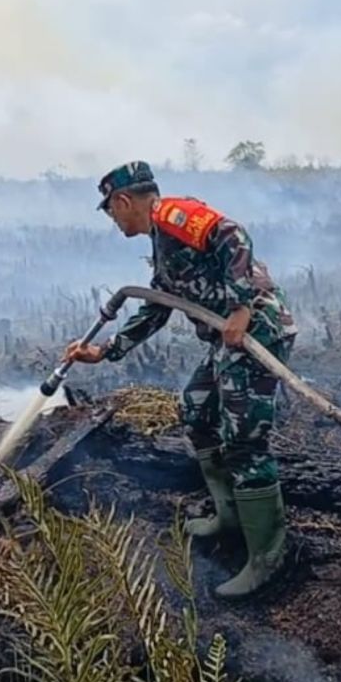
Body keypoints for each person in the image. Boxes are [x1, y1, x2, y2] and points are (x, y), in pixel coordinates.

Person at [64, 161, 297, 599]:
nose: (113, 220)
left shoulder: (173, 215)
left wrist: (243, 307)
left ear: (123, 201)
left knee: (245, 441)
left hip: (257, 331)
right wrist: (107, 350)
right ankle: (228, 516)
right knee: (196, 409)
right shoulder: (163, 241)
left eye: (111, 211)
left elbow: (233, 235)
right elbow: (157, 303)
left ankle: (267, 557)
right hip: (229, 343)